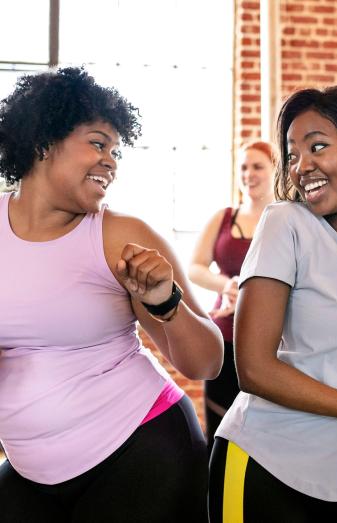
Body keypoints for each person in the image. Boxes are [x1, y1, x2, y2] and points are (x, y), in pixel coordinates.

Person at [0, 66, 223, 523]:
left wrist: (166, 301)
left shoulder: (120, 237)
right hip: (30, 467)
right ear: (44, 141)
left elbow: (206, 362)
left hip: (143, 451)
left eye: (117, 151)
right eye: (98, 144)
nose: (112, 162)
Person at [208, 84, 337, 522]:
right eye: (292, 154)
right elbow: (254, 369)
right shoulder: (286, 224)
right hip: (263, 465)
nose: (300, 167)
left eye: (318, 147)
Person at [188, 141, 275, 452]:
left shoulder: (290, 220)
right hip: (224, 337)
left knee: (265, 433)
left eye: (257, 166)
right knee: (220, 430)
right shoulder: (223, 217)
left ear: (274, 169)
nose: (248, 174)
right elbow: (195, 268)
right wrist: (226, 285)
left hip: (273, 343)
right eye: (243, 167)